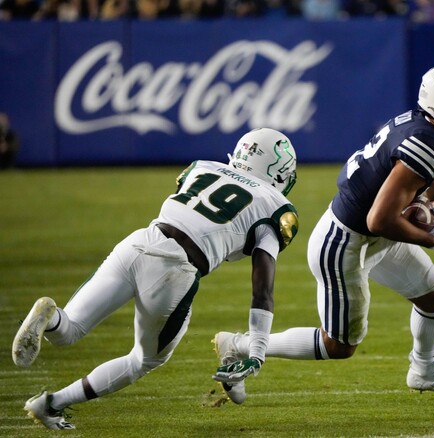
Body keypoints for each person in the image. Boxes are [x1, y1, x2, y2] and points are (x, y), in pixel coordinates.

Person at [211, 63, 434, 404]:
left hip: (371, 237)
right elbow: (379, 219)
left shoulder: (421, 129)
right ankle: (239, 345)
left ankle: (425, 371)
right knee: (339, 345)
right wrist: (432, 238)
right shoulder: (426, 142)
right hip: (345, 244)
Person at [12, 128, 300, 430]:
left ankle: (50, 316)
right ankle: (52, 403)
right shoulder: (274, 206)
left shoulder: (202, 167)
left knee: (68, 330)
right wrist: (257, 350)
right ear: (277, 171)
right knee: (144, 360)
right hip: (175, 269)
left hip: (139, 242)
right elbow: (262, 289)